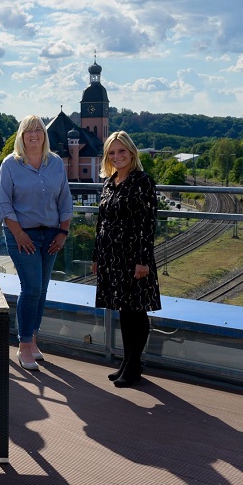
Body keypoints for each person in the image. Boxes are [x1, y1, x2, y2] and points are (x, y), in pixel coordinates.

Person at [0, 115, 73, 371]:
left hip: (51, 234)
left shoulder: (56, 164)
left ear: (44, 134)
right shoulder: (10, 164)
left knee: (41, 289)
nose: (34, 135)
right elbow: (4, 204)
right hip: (22, 235)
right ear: (21, 135)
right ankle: (24, 345)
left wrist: (63, 233)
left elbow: (65, 200)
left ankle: (34, 339)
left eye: (38, 130)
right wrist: (19, 234)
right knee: (31, 288)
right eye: (28, 131)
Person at [91, 131, 161, 388]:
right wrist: (97, 255)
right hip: (112, 258)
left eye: (121, 151)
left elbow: (147, 224)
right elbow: (102, 223)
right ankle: (126, 361)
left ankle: (134, 365)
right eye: (112, 152)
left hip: (133, 259)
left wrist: (143, 261)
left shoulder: (142, 181)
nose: (117, 156)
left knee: (136, 311)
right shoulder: (110, 182)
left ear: (132, 153)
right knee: (123, 310)